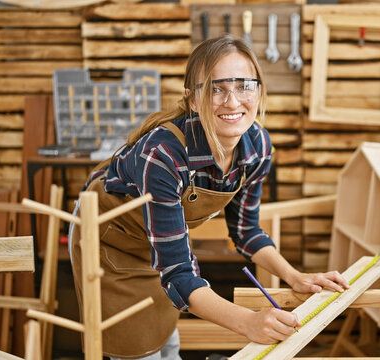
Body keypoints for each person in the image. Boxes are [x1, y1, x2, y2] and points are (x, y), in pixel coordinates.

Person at [68, 34, 349, 360]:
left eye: (244, 86)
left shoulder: (257, 148)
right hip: (110, 245)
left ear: (259, 90)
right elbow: (178, 275)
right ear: (191, 100)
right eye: (216, 89)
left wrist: (294, 276)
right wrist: (248, 323)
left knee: (167, 343)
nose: (232, 102)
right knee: (139, 350)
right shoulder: (164, 155)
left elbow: (247, 232)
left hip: (158, 247)